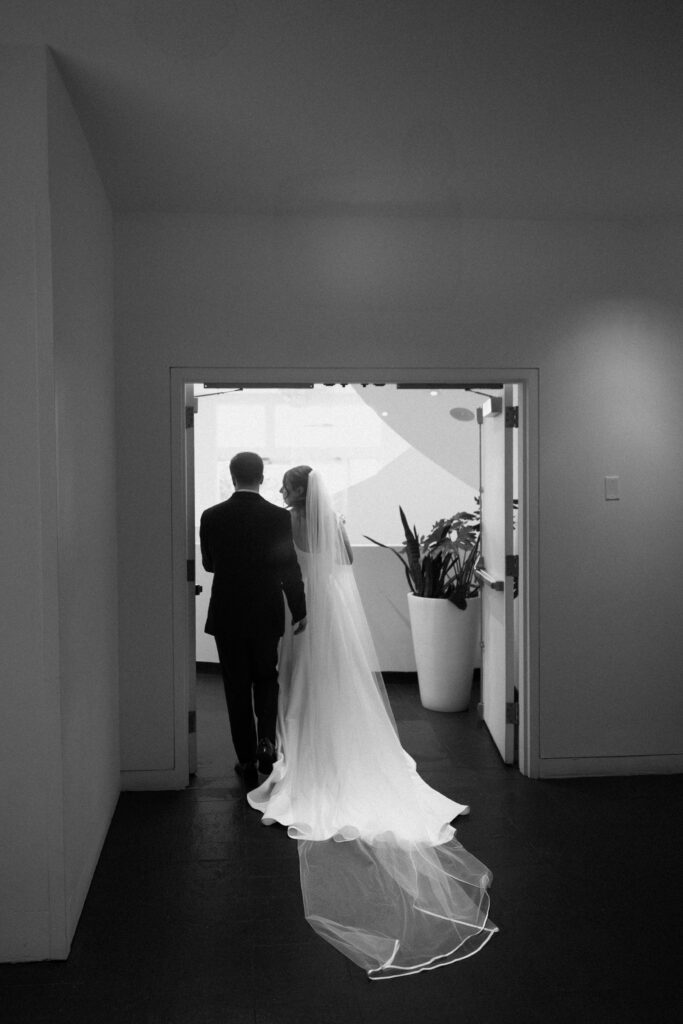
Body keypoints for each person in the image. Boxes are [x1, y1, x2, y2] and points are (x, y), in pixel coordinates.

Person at [248, 466, 497, 979]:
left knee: (297, 689)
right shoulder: (330, 523)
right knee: (333, 686)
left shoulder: (286, 525)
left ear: (296, 492)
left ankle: (302, 750)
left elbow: (282, 568)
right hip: (328, 617)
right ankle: (332, 744)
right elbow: (340, 566)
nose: (281, 493)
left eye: (285, 487)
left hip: (299, 615)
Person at [200, 451, 307, 785]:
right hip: (265, 611)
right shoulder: (278, 517)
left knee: (235, 686)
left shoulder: (211, 516)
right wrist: (299, 608)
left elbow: (208, 564)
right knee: (265, 678)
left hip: (228, 612)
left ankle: (245, 760)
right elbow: (289, 568)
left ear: (232, 477)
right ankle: (267, 744)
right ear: (262, 478)